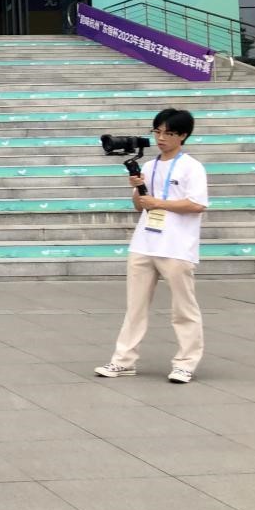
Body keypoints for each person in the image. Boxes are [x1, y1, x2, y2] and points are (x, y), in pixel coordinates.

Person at [96, 108, 209, 384]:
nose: (161, 138)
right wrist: (137, 188)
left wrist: (159, 202)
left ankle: (185, 363)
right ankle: (123, 361)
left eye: (168, 133)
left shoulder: (191, 167)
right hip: (144, 243)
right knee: (134, 308)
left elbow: (197, 204)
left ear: (183, 135)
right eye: (157, 132)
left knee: (183, 309)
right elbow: (140, 206)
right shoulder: (148, 166)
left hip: (176, 247)